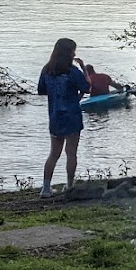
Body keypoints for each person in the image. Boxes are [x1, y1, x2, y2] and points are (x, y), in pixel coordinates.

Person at [37, 38, 91, 198]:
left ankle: (46, 188)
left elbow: (41, 90)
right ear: (69, 52)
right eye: (73, 50)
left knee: (54, 153)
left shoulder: (47, 70)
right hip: (72, 115)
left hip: (55, 116)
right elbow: (87, 88)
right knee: (71, 153)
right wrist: (83, 68)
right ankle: (69, 185)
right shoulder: (72, 72)